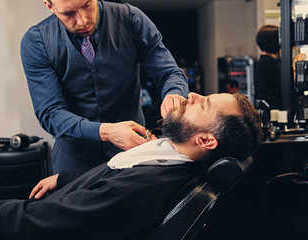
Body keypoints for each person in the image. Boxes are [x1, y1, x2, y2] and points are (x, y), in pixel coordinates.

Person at [0, 92, 263, 240]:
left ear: (207, 141)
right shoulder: (167, 159)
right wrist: (64, 178)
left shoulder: (152, 183)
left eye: (204, 103)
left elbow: (56, 217)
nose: (192, 95)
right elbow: (114, 174)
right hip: (53, 211)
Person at [20, 0, 189, 174]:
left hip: (133, 153)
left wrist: (173, 94)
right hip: (74, 162)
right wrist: (106, 132)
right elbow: (50, 113)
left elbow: (169, 73)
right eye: (69, 13)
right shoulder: (36, 42)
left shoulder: (131, 19)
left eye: (87, 5)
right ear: (50, 6)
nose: (83, 21)